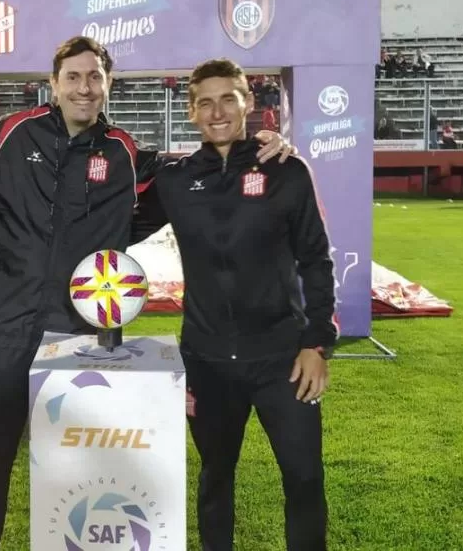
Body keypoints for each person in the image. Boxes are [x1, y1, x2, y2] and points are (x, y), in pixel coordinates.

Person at [0, 36, 293, 550]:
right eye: (72, 77)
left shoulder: (124, 153)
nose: (83, 87)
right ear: (53, 84)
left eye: (94, 76)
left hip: (82, 341)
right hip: (1, 335)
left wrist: (261, 148)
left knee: (80, 469)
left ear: (108, 84)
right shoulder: (9, 134)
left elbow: (201, 171)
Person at [133, 58, 337, 551]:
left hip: (282, 361)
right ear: (190, 111)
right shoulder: (175, 180)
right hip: (206, 362)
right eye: (205, 102)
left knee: (305, 478)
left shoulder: (286, 171)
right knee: (215, 480)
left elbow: (316, 260)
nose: (217, 111)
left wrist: (316, 344)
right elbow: (117, 221)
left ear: (249, 102)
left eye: (229, 98)